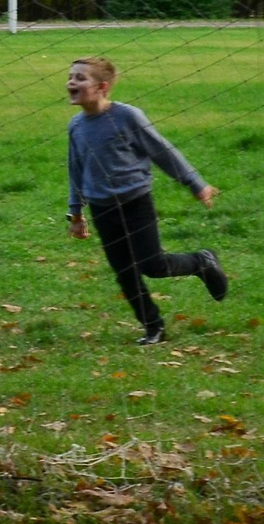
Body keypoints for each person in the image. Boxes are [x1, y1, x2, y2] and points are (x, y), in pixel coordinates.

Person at [66, 55, 228, 346]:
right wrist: (76, 214)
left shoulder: (127, 117)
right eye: (70, 76)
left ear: (102, 87)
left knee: (152, 265)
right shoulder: (76, 126)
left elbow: (162, 151)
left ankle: (202, 262)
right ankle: (153, 327)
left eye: (80, 78)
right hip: (103, 209)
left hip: (136, 202)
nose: (71, 83)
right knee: (124, 273)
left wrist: (195, 183)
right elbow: (76, 169)